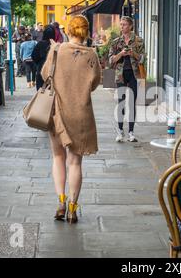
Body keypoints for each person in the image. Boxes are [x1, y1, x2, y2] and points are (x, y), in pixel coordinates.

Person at [40, 15, 101, 224]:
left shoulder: (57, 50)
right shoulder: (91, 54)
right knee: (75, 163)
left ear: (70, 31)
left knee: (58, 157)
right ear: (85, 32)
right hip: (81, 115)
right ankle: (73, 209)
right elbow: (94, 83)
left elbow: (44, 74)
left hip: (57, 111)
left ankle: (61, 202)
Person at [108, 16, 146, 143]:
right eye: (121, 24)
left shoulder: (139, 41)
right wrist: (121, 54)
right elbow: (110, 61)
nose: (122, 27)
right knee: (121, 103)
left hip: (134, 75)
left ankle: (131, 132)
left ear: (130, 26)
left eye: (124, 24)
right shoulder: (116, 42)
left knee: (132, 103)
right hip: (120, 75)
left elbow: (142, 59)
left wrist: (132, 53)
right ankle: (120, 131)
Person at [32, 25, 55, 90]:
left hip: (41, 70)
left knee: (41, 92)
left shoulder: (40, 44)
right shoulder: (56, 45)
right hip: (53, 73)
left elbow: (34, 56)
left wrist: (39, 63)